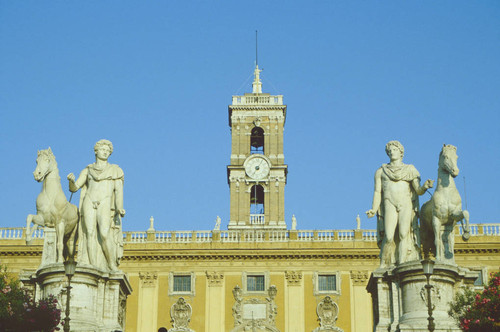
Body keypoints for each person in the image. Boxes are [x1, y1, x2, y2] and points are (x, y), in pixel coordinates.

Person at [366, 140, 433, 267]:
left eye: (394, 149)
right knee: (389, 236)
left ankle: (402, 264)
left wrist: (424, 187)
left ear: (401, 152)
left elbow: (418, 190)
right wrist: (374, 209)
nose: (392, 152)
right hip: (389, 202)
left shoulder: (410, 169)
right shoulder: (381, 171)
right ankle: (383, 264)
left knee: (404, 234)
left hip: (405, 203)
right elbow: (377, 192)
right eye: (389, 151)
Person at [68, 139, 125, 271]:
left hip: (105, 201)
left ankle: (111, 264)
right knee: (90, 233)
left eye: (108, 151)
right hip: (89, 200)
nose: (105, 152)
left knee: (104, 234)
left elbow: (118, 190)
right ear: (96, 151)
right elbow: (75, 188)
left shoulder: (115, 170)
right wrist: (71, 181)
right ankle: (92, 267)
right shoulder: (88, 169)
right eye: (103, 149)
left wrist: (119, 207)